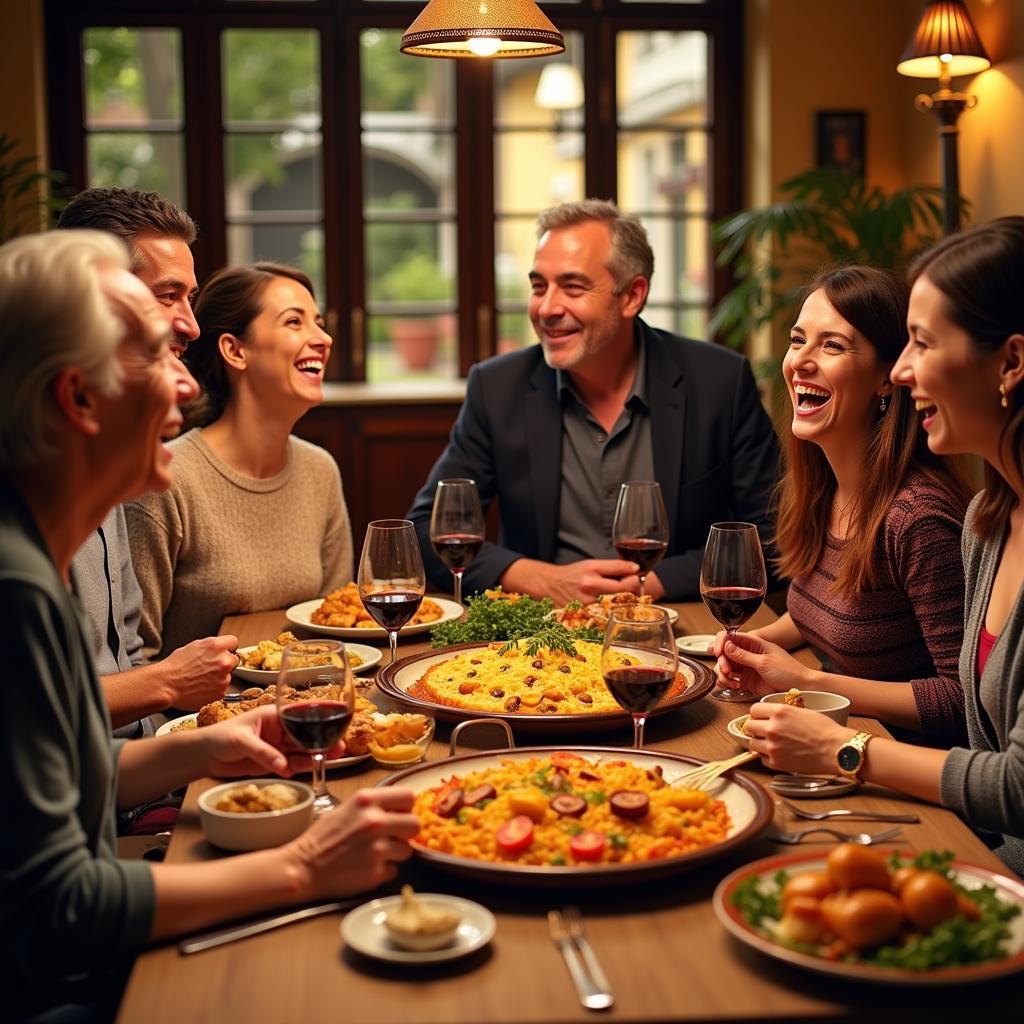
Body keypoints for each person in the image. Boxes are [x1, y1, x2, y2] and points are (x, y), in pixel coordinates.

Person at [0, 230, 417, 1022]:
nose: (185, 389)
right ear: (77, 399)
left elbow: (62, 790)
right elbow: (54, 914)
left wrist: (200, 745)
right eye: (157, 357)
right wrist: (302, 868)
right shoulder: (14, 591)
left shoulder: (34, 556)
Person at [736, 218, 1024, 874]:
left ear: (1010, 363)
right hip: (972, 839)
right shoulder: (990, 519)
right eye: (797, 339)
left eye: (921, 343)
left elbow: (1009, 778)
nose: (901, 370)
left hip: (975, 841)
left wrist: (839, 739)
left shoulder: (927, 516)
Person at [407, 199, 780, 604]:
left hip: (682, 623)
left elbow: (773, 537)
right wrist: (537, 578)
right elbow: (429, 529)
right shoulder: (497, 388)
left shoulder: (719, 383)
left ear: (632, 296)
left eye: (572, 287)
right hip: (538, 639)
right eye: (538, 286)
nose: (547, 308)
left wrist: (648, 585)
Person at [712, 266, 974, 742]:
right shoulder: (822, 487)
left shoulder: (918, 519)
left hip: (900, 769)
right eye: (798, 340)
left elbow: (963, 702)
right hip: (836, 738)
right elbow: (829, 612)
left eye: (832, 346)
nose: (799, 363)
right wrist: (755, 645)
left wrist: (809, 682)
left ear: (886, 378)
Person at [57, 188, 237, 735]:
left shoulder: (108, 474)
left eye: (191, 297)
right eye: (167, 296)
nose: (191, 325)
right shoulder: (29, 522)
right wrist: (169, 683)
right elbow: (33, 716)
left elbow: (131, 652)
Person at [126, 262, 353, 659]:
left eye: (318, 322)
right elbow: (135, 659)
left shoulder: (321, 470)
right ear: (235, 350)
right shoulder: (167, 479)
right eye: (294, 322)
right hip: (196, 718)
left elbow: (339, 623)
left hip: (304, 705)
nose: (323, 338)